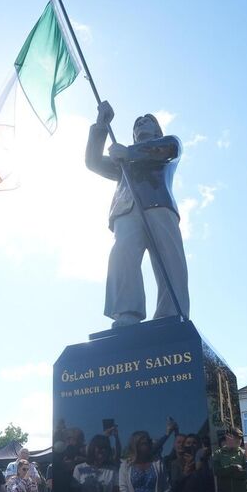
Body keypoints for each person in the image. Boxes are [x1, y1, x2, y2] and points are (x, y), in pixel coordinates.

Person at [85, 100, 189, 327]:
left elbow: (167, 149)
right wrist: (101, 126)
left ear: (156, 129)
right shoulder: (123, 162)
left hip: (159, 206)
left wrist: (128, 152)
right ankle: (126, 313)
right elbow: (92, 162)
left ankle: (171, 313)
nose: (141, 124)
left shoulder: (166, 145)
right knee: (122, 256)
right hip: (126, 210)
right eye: (137, 123)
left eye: (146, 121)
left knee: (169, 261)